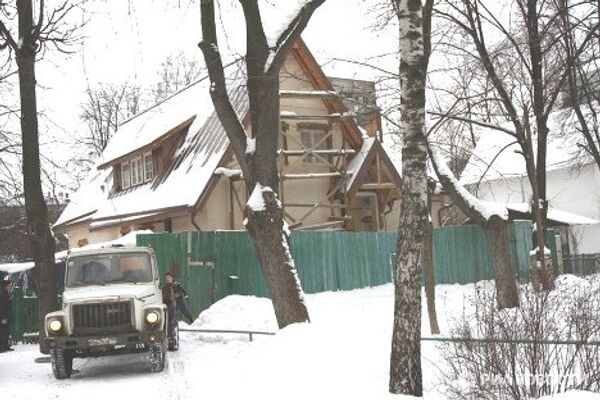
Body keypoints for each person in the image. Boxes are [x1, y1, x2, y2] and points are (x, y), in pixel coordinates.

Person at [0, 278, 13, 353]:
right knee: (2, 332)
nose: (10, 287)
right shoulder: (3, 295)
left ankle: (5, 346)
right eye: (9, 285)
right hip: (3, 318)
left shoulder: (6, 294)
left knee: (7, 332)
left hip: (7, 317)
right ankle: (2, 347)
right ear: (5, 287)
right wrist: (3, 318)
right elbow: (2, 308)